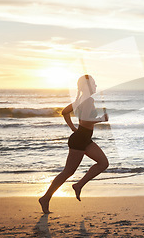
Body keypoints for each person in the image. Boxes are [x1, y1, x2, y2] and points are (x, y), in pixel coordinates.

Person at [39, 75, 109, 214]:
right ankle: (45, 198)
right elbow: (85, 120)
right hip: (79, 141)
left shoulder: (80, 100)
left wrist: (73, 128)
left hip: (83, 139)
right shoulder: (88, 100)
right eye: (94, 84)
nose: (95, 86)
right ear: (88, 86)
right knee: (68, 172)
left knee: (103, 163)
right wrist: (101, 119)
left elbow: (65, 112)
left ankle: (78, 185)